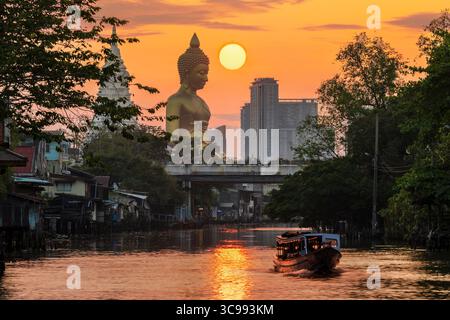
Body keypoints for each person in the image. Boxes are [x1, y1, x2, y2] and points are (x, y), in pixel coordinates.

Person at [166, 33, 211, 137]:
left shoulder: (201, 102)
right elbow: (172, 137)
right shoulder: (175, 100)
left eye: (207, 73)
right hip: (186, 150)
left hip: (204, 150)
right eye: (201, 73)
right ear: (187, 73)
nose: (206, 78)